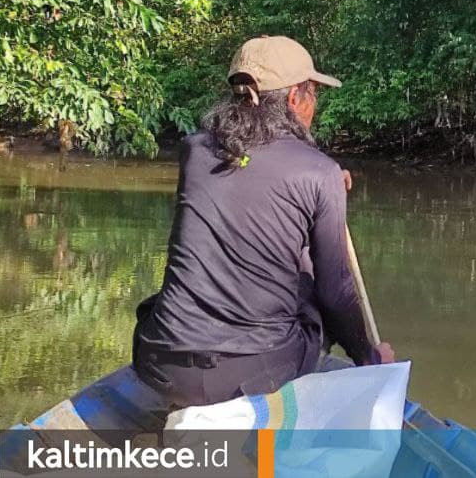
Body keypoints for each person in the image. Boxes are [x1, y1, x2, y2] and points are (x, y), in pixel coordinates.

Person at [132, 35, 395, 408]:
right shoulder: (320, 173)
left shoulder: (194, 151)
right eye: (313, 94)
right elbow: (335, 292)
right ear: (293, 99)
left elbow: (249, 198)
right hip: (247, 377)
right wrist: (369, 358)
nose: (314, 106)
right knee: (317, 300)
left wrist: (323, 190)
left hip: (160, 364)